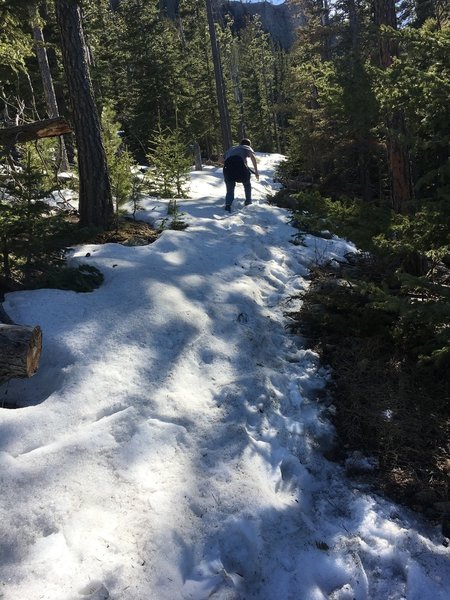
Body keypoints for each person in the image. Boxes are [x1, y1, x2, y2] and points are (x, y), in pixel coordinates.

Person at [223, 138, 259, 212]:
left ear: (240, 143)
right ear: (249, 144)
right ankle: (248, 201)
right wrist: (256, 171)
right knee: (247, 184)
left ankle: (228, 205)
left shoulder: (232, 148)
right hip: (240, 169)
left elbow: (221, 160)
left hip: (228, 170)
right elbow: (252, 157)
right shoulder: (247, 147)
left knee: (230, 188)